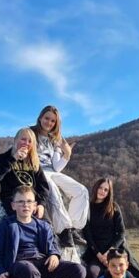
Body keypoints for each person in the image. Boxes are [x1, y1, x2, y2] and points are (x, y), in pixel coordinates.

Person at [31, 105, 89, 247]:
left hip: (51, 171)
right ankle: (64, 231)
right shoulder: (31, 132)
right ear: (40, 117)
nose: (49, 123)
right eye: (47, 118)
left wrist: (67, 154)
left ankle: (74, 228)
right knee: (53, 191)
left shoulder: (55, 139)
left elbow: (57, 167)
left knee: (81, 190)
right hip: (36, 170)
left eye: (53, 121)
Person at [81, 177, 139, 278]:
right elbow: (87, 234)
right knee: (93, 273)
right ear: (95, 188)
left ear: (109, 193)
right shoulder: (87, 207)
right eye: (100, 188)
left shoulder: (113, 207)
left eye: (106, 190)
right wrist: (99, 255)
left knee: (124, 275)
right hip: (96, 252)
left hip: (114, 250)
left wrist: (109, 252)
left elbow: (121, 232)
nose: (102, 191)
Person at [0, 128, 52, 219]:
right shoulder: (3, 158)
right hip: (13, 201)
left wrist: (41, 204)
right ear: (15, 140)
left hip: (32, 201)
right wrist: (13, 159)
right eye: (23, 139)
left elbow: (43, 186)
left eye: (30, 141)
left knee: (46, 227)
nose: (26, 143)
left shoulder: (33, 161)